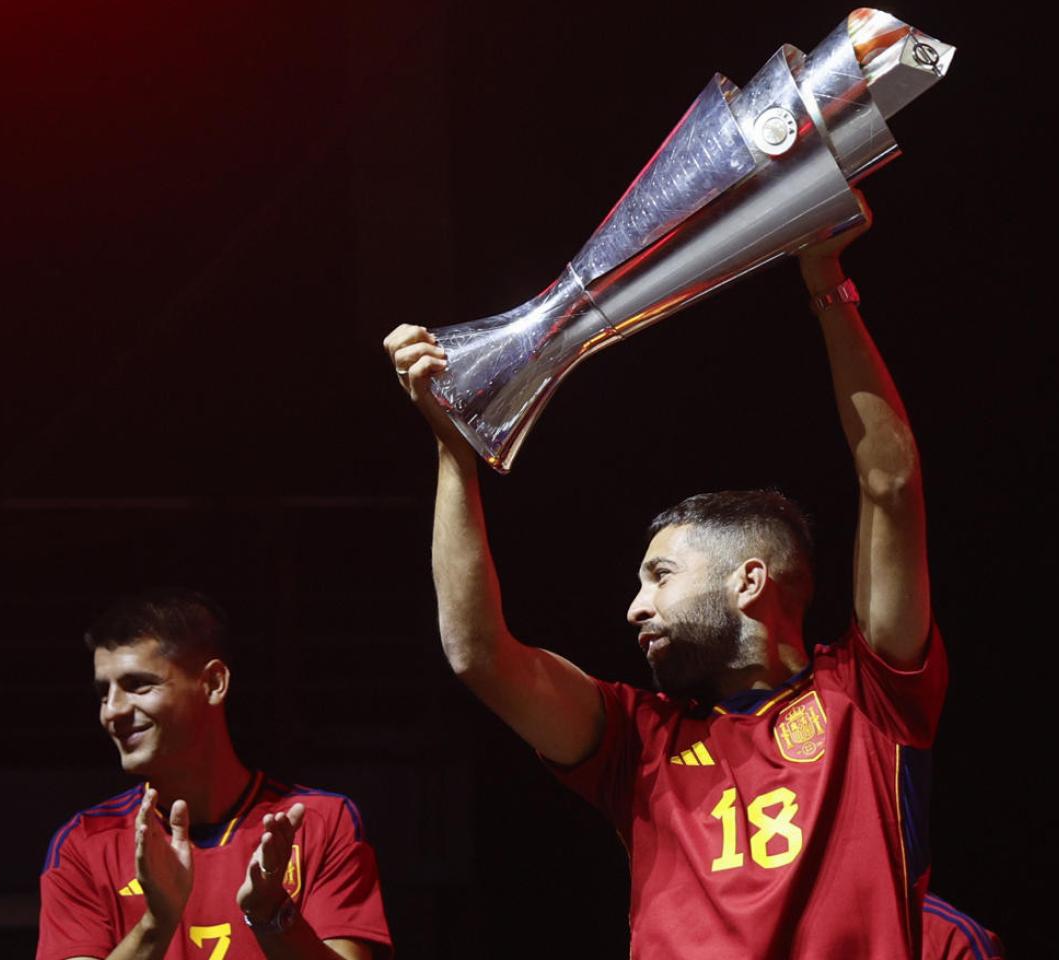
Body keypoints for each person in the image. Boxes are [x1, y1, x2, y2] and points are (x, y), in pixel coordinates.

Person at [385, 204, 950, 958]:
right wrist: (455, 454)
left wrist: (825, 281)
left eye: (660, 575)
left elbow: (890, 480)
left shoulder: (869, 697)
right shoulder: (635, 742)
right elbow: (478, 655)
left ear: (749, 582)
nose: (633, 606)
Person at [38, 589, 392, 960]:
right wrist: (158, 921)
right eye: (103, 693)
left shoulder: (320, 822)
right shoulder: (83, 844)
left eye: (138, 685)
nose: (113, 711)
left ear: (214, 683)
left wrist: (272, 915)